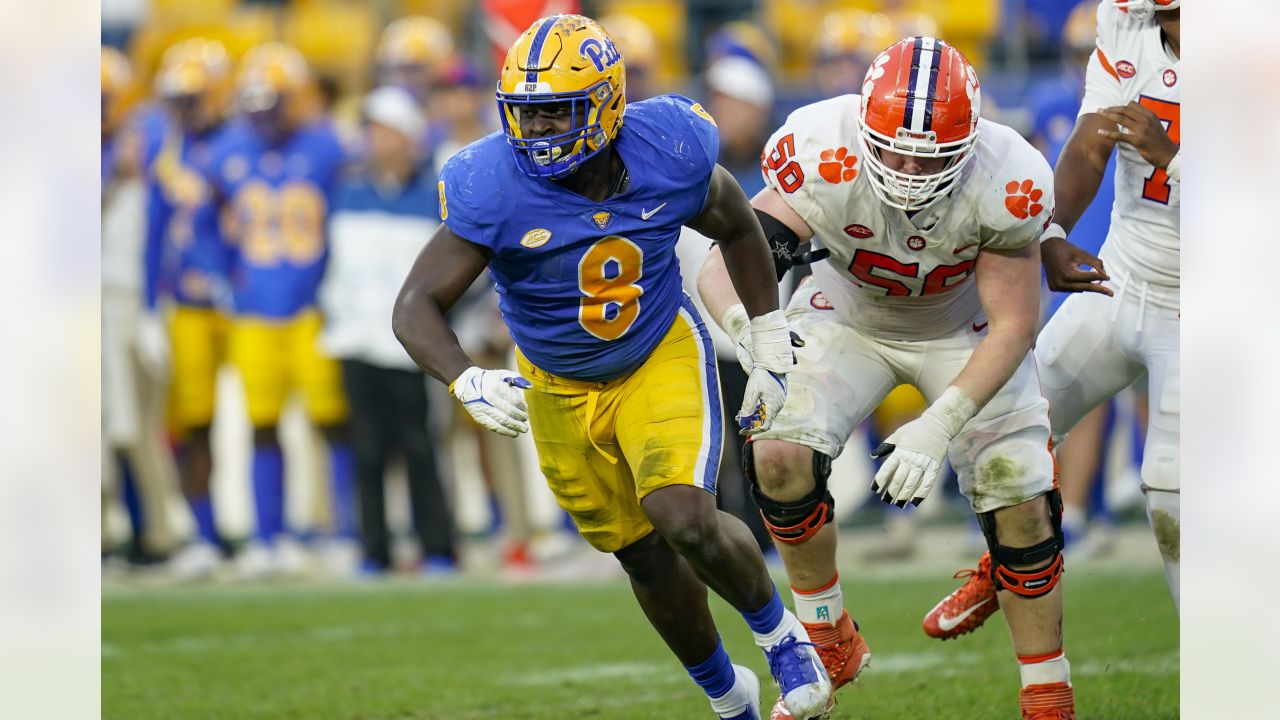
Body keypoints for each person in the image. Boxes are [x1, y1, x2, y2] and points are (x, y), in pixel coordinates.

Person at [393, 15, 832, 720]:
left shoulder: (669, 148)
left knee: (683, 515)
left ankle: (784, 640)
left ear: (604, 103)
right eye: (523, 115)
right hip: (556, 383)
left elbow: (737, 221)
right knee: (642, 554)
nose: (534, 132)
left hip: (655, 352)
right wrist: (463, 377)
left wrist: (768, 322)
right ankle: (728, 697)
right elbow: (415, 304)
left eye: (551, 113)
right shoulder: (491, 182)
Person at [698, 36, 1074, 719]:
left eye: (929, 156)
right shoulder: (821, 145)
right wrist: (751, 336)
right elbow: (727, 259)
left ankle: (1048, 692)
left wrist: (939, 425)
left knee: (1019, 490)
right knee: (776, 451)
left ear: (969, 141)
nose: (905, 168)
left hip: (965, 332)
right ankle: (826, 638)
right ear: (863, 125)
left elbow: (1015, 323)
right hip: (847, 316)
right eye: (893, 148)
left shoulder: (1009, 172)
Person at [926, 0, 1182, 642]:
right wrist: (1053, 229)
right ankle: (1010, 560)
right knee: (1001, 426)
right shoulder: (1125, 21)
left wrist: (1172, 157)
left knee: (1172, 496)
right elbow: (1094, 138)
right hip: (1120, 277)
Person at [207, 42, 353, 576]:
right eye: (258, 105)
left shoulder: (327, 147)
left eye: (275, 104)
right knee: (261, 424)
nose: (266, 115)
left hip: (312, 307)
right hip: (254, 312)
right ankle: (268, 539)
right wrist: (224, 277)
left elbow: (347, 219)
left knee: (333, 422)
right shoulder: (225, 149)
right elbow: (199, 221)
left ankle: (343, 532)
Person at [318, 86, 457, 576]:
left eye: (383, 131)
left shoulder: (432, 195)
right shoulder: (349, 190)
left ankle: (439, 547)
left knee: (420, 447)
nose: (373, 140)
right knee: (368, 450)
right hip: (355, 337)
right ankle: (373, 549)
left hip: (409, 346)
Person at [141, 37, 238, 580]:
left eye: (194, 97)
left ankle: (287, 534)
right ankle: (203, 532)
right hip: (187, 302)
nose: (186, 108)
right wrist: (150, 303)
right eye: (179, 99)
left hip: (241, 301)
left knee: (264, 416)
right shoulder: (167, 147)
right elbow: (155, 232)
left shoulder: (241, 142)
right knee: (193, 420)